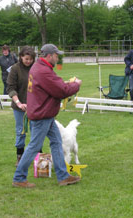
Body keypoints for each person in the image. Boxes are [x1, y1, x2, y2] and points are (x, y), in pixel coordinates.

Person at [12, 44, 82, 188]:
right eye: (57, 55)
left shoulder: (38, 68)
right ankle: (19, 178)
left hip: (45, 113)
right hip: (42, 114)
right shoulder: (43, 71)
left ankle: (63, 176)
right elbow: (61, 91)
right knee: (33, 146)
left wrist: (66, 83)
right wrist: (76, 85)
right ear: (49, 56)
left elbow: (54, 84)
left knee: (56, 143)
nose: (58, 58)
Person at [7, 46, 39, 167]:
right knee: (21, 131)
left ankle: (38, 156)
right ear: (21, 57)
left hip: (35, 106)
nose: (28, 61)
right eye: (26, 59)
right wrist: (19, 103)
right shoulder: (15, 69)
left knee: (36, 131)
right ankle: (20, 157)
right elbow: (10, 88)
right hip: (19, 107)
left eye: (31, 59)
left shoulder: (36, 68)